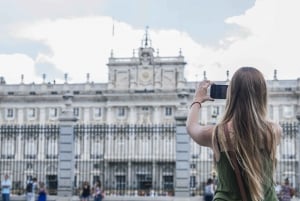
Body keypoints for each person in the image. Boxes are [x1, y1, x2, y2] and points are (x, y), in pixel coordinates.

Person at [186, 67, 282, 201]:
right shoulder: (274, 131)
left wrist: (197, 100)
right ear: (262, 94)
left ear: (230, 94)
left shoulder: (217, 133)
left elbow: (191, 127)